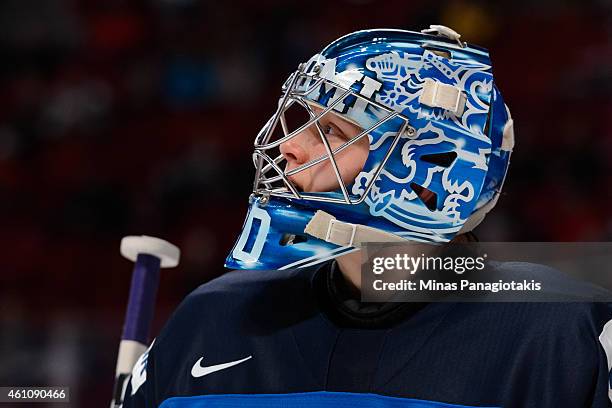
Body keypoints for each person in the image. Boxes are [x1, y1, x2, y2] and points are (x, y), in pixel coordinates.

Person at [121, 26, 612, 407]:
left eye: (331, 131)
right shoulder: (210, 321)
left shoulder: (561, 335)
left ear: (423, 166)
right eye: (302, 120)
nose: (290, 148)